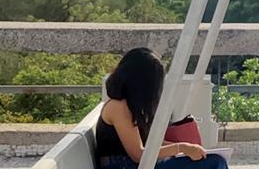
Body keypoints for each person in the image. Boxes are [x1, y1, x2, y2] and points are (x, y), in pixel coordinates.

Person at [95, 48, 228, 169]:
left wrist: (187, 149)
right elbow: (138, 155)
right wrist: (181, 148)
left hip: (138, 164)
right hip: (125, 165)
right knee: (215, 162)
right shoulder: (118, 107)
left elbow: (149, 145)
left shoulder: (130, 105)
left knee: (210, 159)